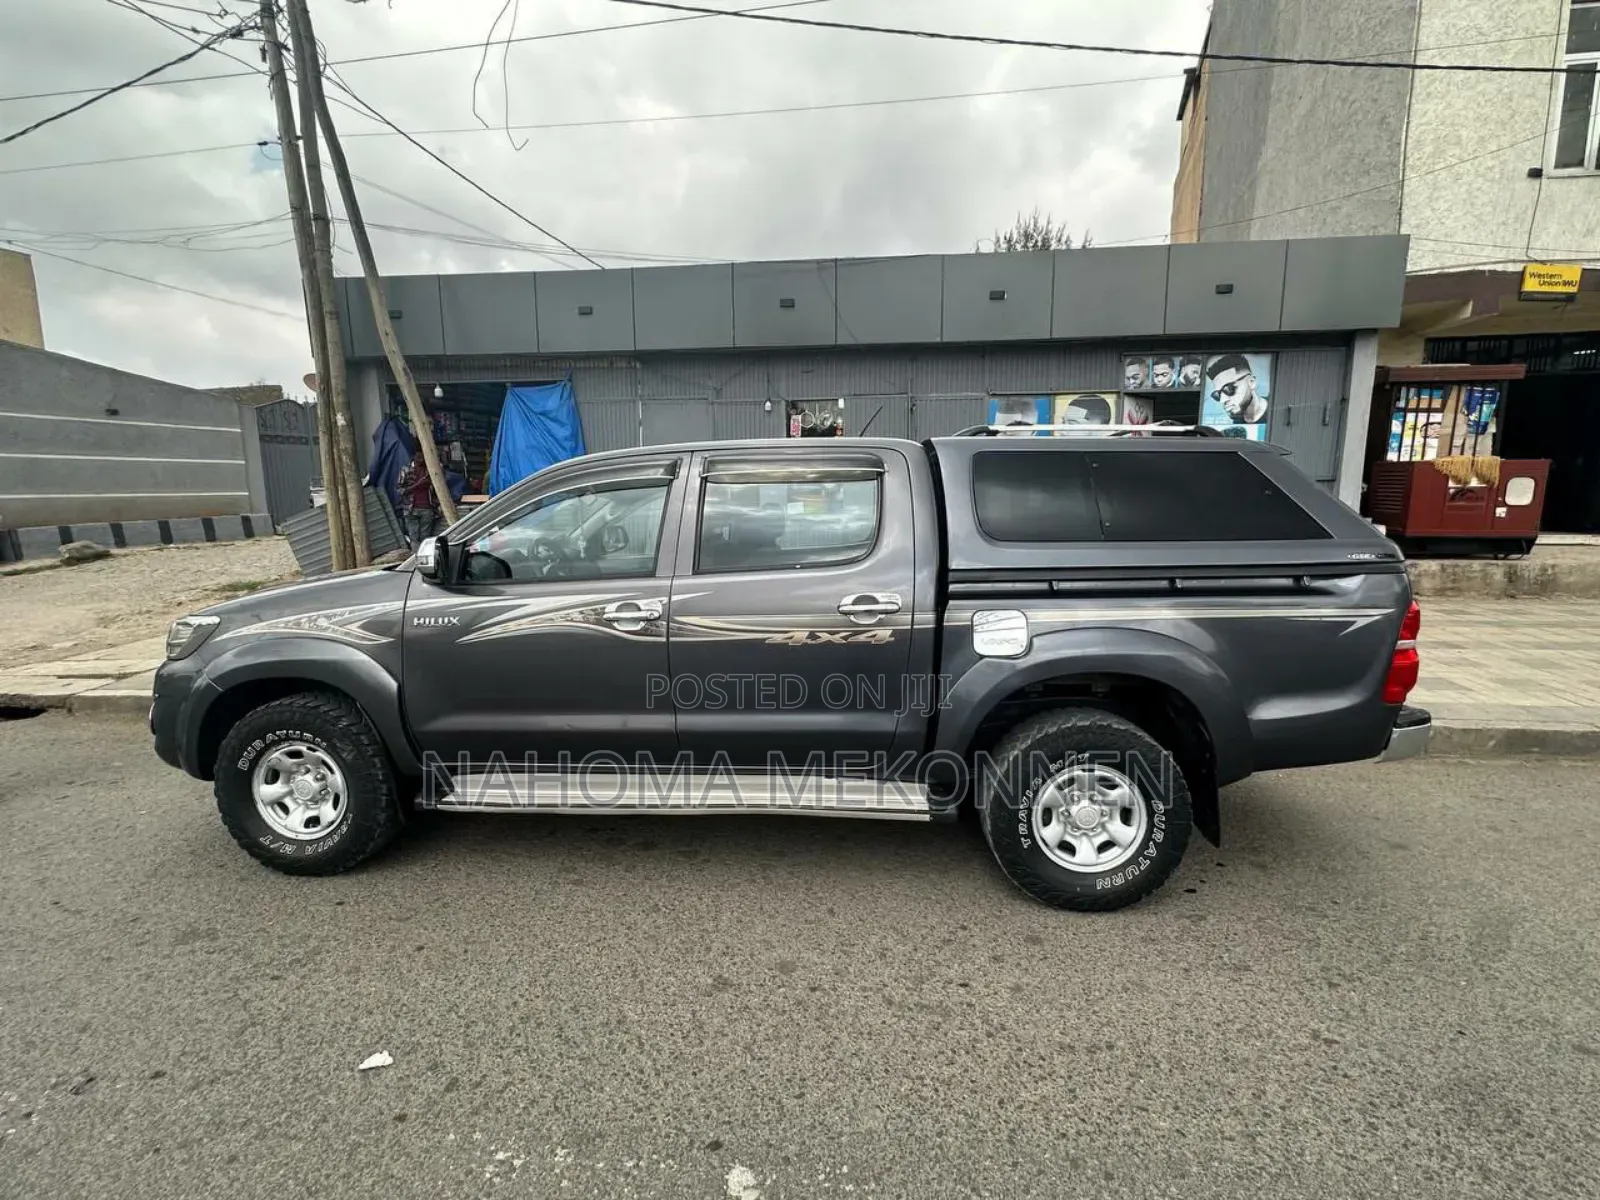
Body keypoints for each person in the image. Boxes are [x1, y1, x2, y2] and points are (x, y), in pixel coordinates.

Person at [1205, 354, 1269, 424]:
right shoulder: (1236, 425)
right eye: (1217, 395)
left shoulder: (1277, 409)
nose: (1222, 400)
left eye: (1229, 389)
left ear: (1251, 382)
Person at [401, 451, 438, 547]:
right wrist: (417, 485)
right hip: (411, 509)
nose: (421, 459)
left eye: (423, 456)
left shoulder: (430, 470)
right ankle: (416, 560)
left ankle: (422, 559)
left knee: (425, 538)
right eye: (419, 456)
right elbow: (399, 491)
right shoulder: (406, 470)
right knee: (414, 538)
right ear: (414, 457)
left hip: (427, 508)